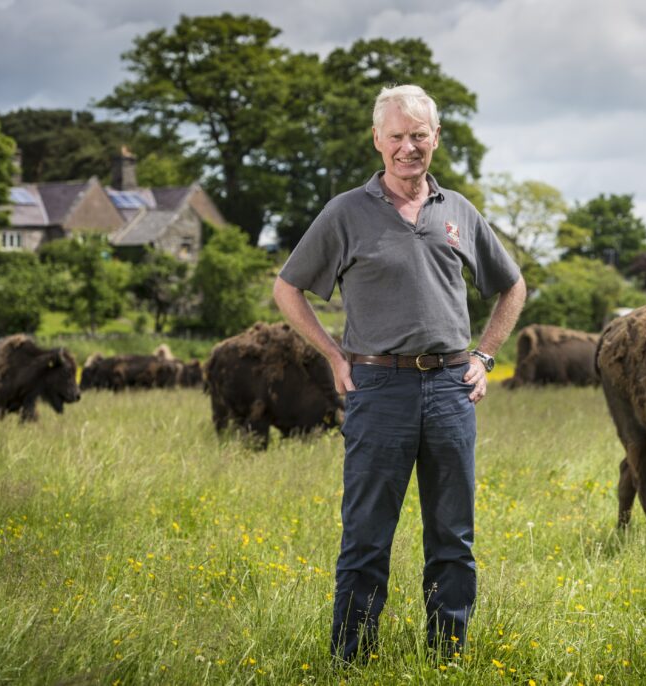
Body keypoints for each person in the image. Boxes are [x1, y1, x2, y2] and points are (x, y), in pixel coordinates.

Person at [273, 84, 526, 663]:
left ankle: (447, 659)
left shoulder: (458, 210)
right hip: (377, 387)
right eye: (397, 137)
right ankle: (352, 661)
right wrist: (334, 356)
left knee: (453, 540)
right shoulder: (345, 212)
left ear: (436, 138)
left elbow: (512, 285)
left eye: (419, 136)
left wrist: (485, 357)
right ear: (377, 140)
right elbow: (287, 288)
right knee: (365, 538)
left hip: (449, 389)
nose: (408, 147)